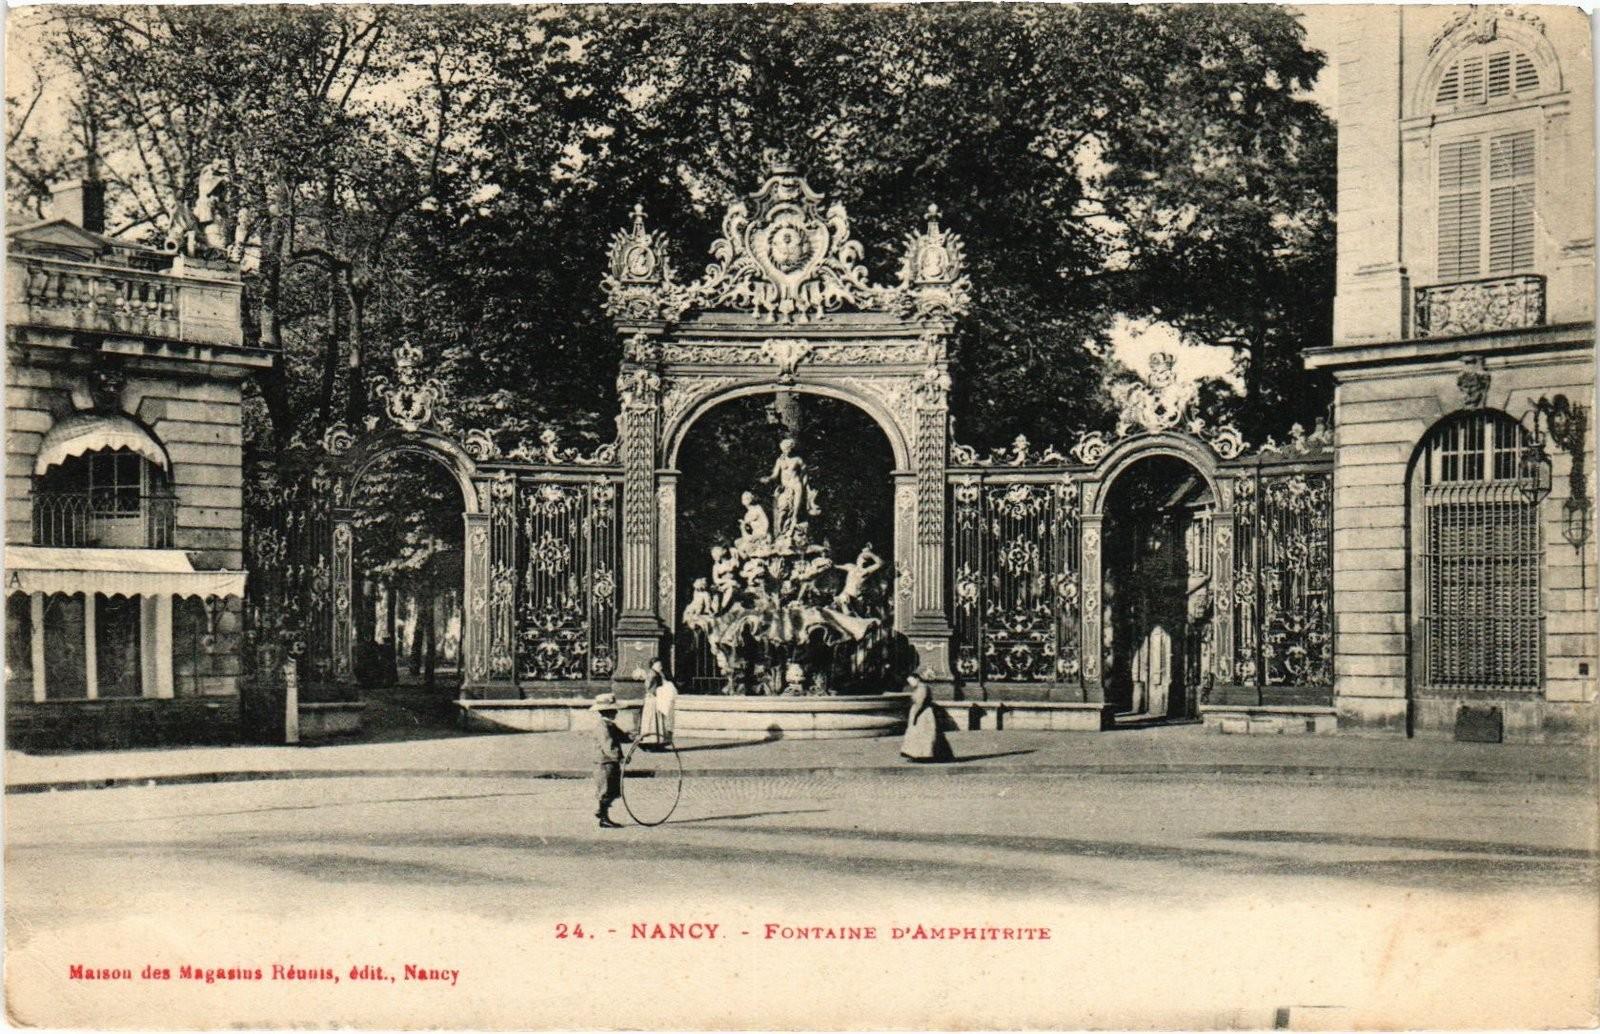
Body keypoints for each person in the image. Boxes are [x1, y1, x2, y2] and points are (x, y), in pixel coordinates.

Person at [591, 693, 633, 828]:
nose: (616, 712)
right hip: (604, 764)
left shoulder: (610, 725)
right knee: (607, 790)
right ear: (607, 712)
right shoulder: (603, 728)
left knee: (614, 790)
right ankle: (603, 818)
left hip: (611, 763)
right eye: (614, 710)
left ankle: (601, 811)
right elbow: (608, 746)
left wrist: (633, 737)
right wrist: (620, 758)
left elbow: (622, 737)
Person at [899, 674, 952, 763]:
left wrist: (915, 715)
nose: (910, 683)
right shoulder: (919, 688)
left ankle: (925, 755)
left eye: (911, 681)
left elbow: (920, 703)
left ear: (917, 679)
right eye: (909, 682)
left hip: (923, 714)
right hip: (920, 713)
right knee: (918, 734)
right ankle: (918, 754)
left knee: (925, 734)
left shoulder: (922, 688)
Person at [640, 657, 678, 749]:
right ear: (653, 665)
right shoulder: (652, 674)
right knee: (653, 721)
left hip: (656, 699)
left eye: (660, 665)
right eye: (658, 665)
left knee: (657, 721)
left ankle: (657, 742)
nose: (660, 666)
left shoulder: (658, 673)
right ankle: (652, 742)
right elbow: (649, 687)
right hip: (653, 700)